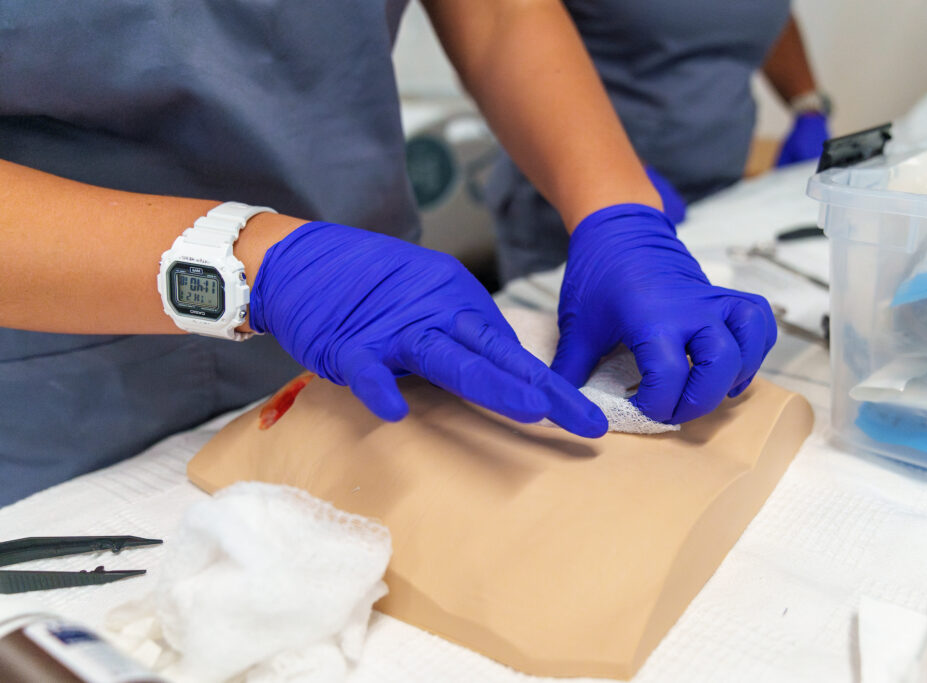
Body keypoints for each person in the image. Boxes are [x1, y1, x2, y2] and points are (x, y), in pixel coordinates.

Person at [0, 0, 776, 505]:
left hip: (379, 341)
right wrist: (257, 260)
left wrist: (617, 210)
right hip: (61, 394)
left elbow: (501, 15)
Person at [486, 4, 831, 283]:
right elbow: (500, 32)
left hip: (717, 195)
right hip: (582, 205)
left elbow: (756, 14)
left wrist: (806, 104)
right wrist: (615, 177)